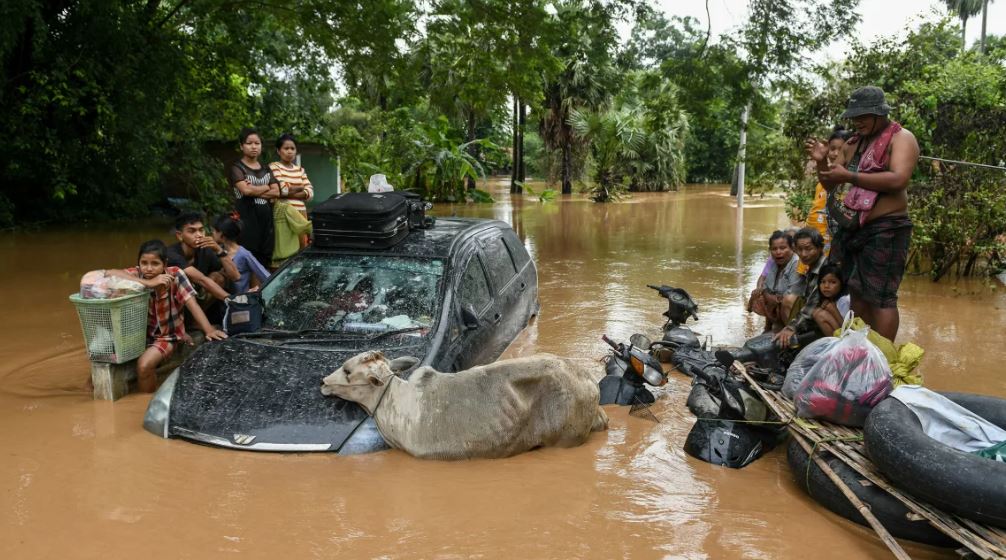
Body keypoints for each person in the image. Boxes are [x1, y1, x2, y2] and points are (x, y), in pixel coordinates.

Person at [806, 86, 919, 341]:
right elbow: (830, 183)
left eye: (863, 116)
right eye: (854, 117)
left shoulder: (901, 138)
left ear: (880, 113)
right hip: (854, 227)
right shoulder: (853, 143)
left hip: (887, 228)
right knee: (857, 290)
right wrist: (822, 162)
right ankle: (861, 349)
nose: (857, 122)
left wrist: (849, 176)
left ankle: (884, 358)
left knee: (881, 297)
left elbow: (898, 179)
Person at [106, 240, 227, 392]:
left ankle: (145, 403)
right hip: (140, 336)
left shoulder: (175, 275)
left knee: (144, 366)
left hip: (167, 336)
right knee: (99, 369)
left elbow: (193, 304)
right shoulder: (137, 275)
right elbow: (108, 273)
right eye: (144, 263)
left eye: (155, 263)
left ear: (164, 264)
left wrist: (209, 330)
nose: (148, 268)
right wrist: (147, 283)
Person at [167, 212, 238, 314]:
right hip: (175, 304)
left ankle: (195, 322)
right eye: (192, 231)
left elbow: (235, 276)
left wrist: (219, 250)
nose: (199, 235)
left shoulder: (205, 250)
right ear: (179, 236)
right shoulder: (172, 254)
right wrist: (232, 300)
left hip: (197, 298)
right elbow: (201, 280)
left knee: (219, 277)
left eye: (201, 230)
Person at [229, 127, 279, 266]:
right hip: (246, 223)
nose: (254, 146)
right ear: (241, 146)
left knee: (265, 261)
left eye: (257, 143)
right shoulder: (237, 168)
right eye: (249, 143)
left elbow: (277, 192)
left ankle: (261, 288)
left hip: (266, 224)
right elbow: (246, 191)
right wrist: (266, 186)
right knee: (248, 261)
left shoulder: (266, 169)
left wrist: (254, 189)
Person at [773, 228, 827, 347]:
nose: (803, 254)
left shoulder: (825, 270)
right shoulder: (812, 266)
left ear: (820, 248)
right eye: (800, 249)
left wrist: (791, 328)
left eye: (808, 249)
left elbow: (812, 306)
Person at [806, 126, 853, 255]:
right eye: (832, 149)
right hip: (828, 243)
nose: (836, 154)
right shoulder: (824, 181)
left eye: (841, 149)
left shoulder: (855, 178)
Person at [748, 230, 800, 332]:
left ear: (792, 248)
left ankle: (790, 330)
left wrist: (770, 296)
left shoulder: (796, 263)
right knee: (757, 295)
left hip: (791, 304)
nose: (778, 252)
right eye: (774, 249)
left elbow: (791, 294)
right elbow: (764, 280)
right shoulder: (773, 260)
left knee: (784, 301)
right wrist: (762, 291)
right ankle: (770, 326)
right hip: (776, 297)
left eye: (783, 248)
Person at [269, 133, 314, 249]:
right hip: (284, 214)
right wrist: (300, 188)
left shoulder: (300, 170)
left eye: (292, 148)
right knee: (286, 248)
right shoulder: (274, 167)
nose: (290, 151)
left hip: (301, 213)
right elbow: (281, 189)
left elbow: (310, 193)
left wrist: (288, 191)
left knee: (302, 246)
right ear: (278, 151)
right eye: (286, 148)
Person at [211, 212, 270, 293]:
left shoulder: (244, 254)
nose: (212, 233)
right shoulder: (217, 250)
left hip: (241, 300)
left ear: (221, 234)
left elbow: (264, 274)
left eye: (214, 231)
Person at [812, 264, 849, 336]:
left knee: (820, 315)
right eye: (823, 282)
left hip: (848, 336)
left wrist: (833, 310)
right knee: (816, 312)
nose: (826, 286)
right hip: (840, 334)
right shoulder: (827, 300)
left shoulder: (844, 300)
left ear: (841, 284)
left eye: (833, 282)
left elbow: (848, 328)